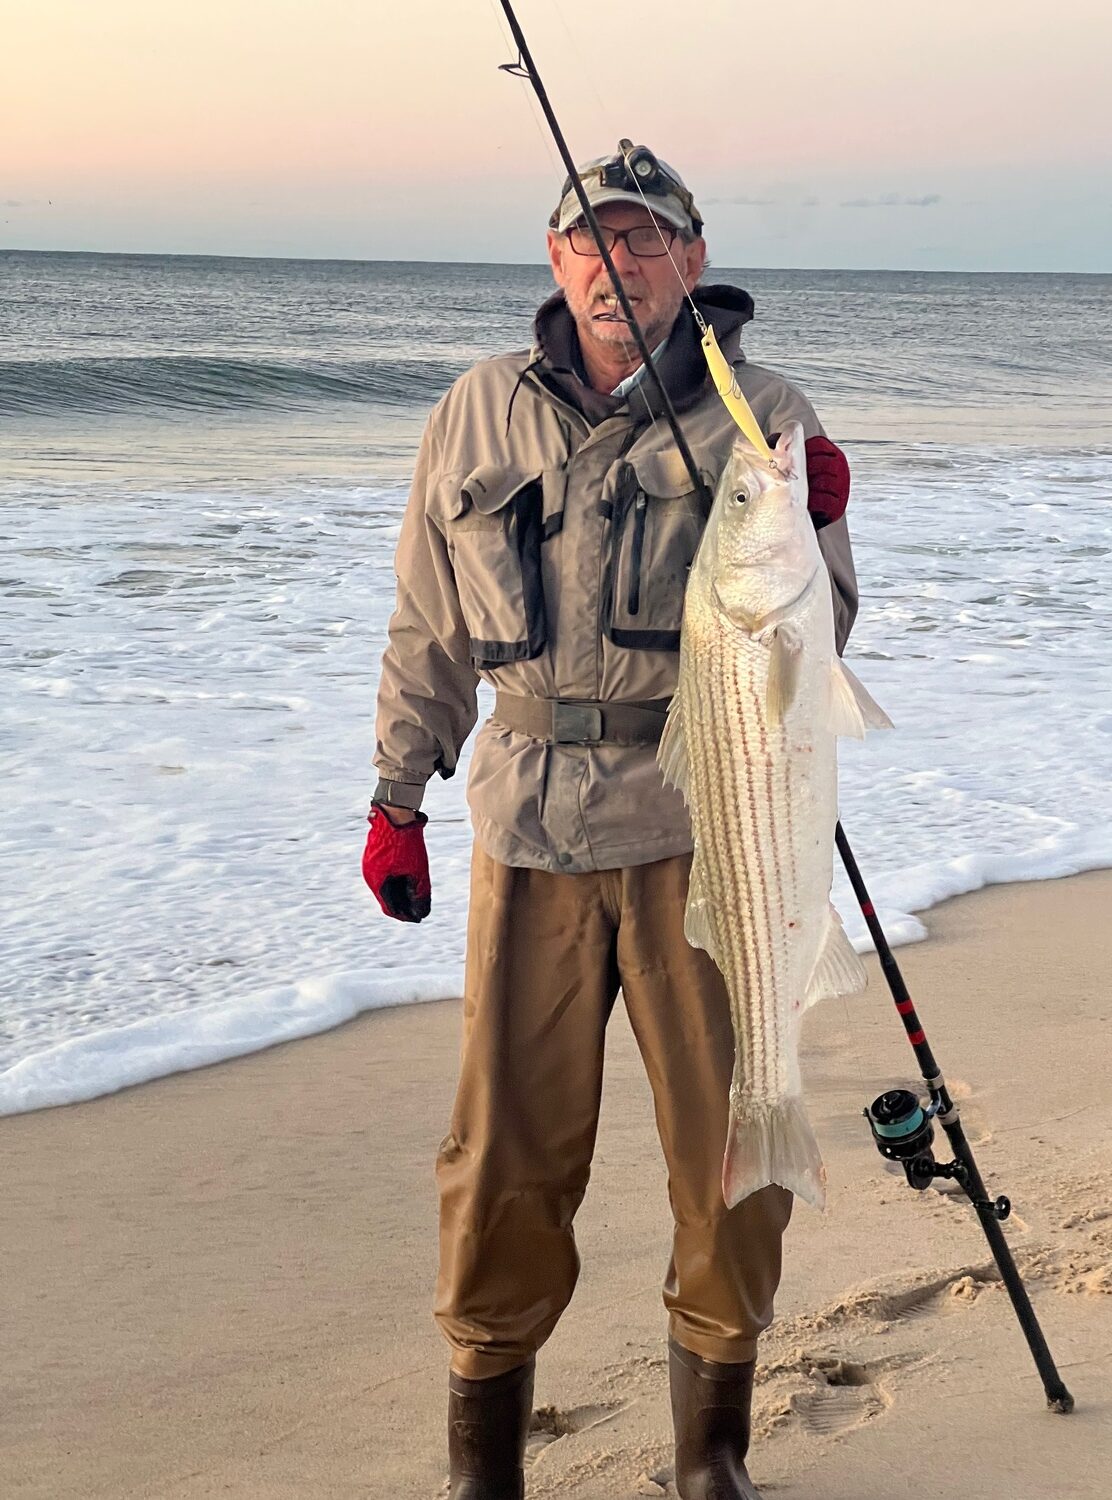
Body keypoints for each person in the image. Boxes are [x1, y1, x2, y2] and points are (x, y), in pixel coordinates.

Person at [363, 143, 858, 1500]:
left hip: (706, 823)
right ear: (553, 257)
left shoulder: (759, 412)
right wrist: (396, 793)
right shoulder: (476, 409)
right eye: (591, 240)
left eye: (645, 241)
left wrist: (807, 533)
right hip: (523, 830)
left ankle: (711, 1454)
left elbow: (822, 647)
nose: (616, 263)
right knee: (502, 1152)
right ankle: (483, 1464)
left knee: (732, 1145)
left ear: (692, 262)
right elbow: (426, 622)